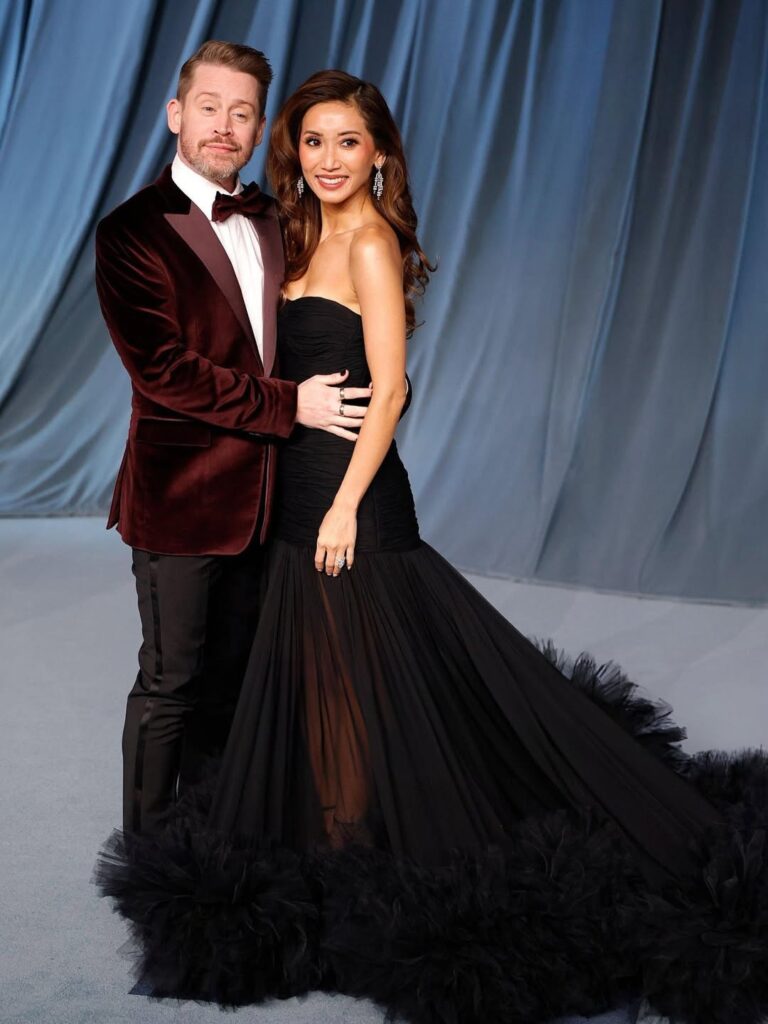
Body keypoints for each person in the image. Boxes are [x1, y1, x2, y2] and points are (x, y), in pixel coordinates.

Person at [97, 71, 768, 1024]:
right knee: (322, 676)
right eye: (314, 141)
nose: (329, 159)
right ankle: (338, 837)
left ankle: (366, 846)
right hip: (288, 494)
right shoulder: (294, 230)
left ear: (380, 154)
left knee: (374, 674)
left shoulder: (371, 241)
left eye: (348, 142)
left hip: (348, 500)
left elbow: (390, 391)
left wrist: (344, 508)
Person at [94, 42, 377, 836]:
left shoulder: (276, 221)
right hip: (181, 502)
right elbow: (165, 372)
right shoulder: (131, 232)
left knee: (237, 688)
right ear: (176, 115)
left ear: (257, 131)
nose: (225, 126)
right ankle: (149, 864)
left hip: (273, 503)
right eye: (210, 107)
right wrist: (291, 407)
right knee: (171, 686)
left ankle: (214, 848)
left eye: (242, 113)